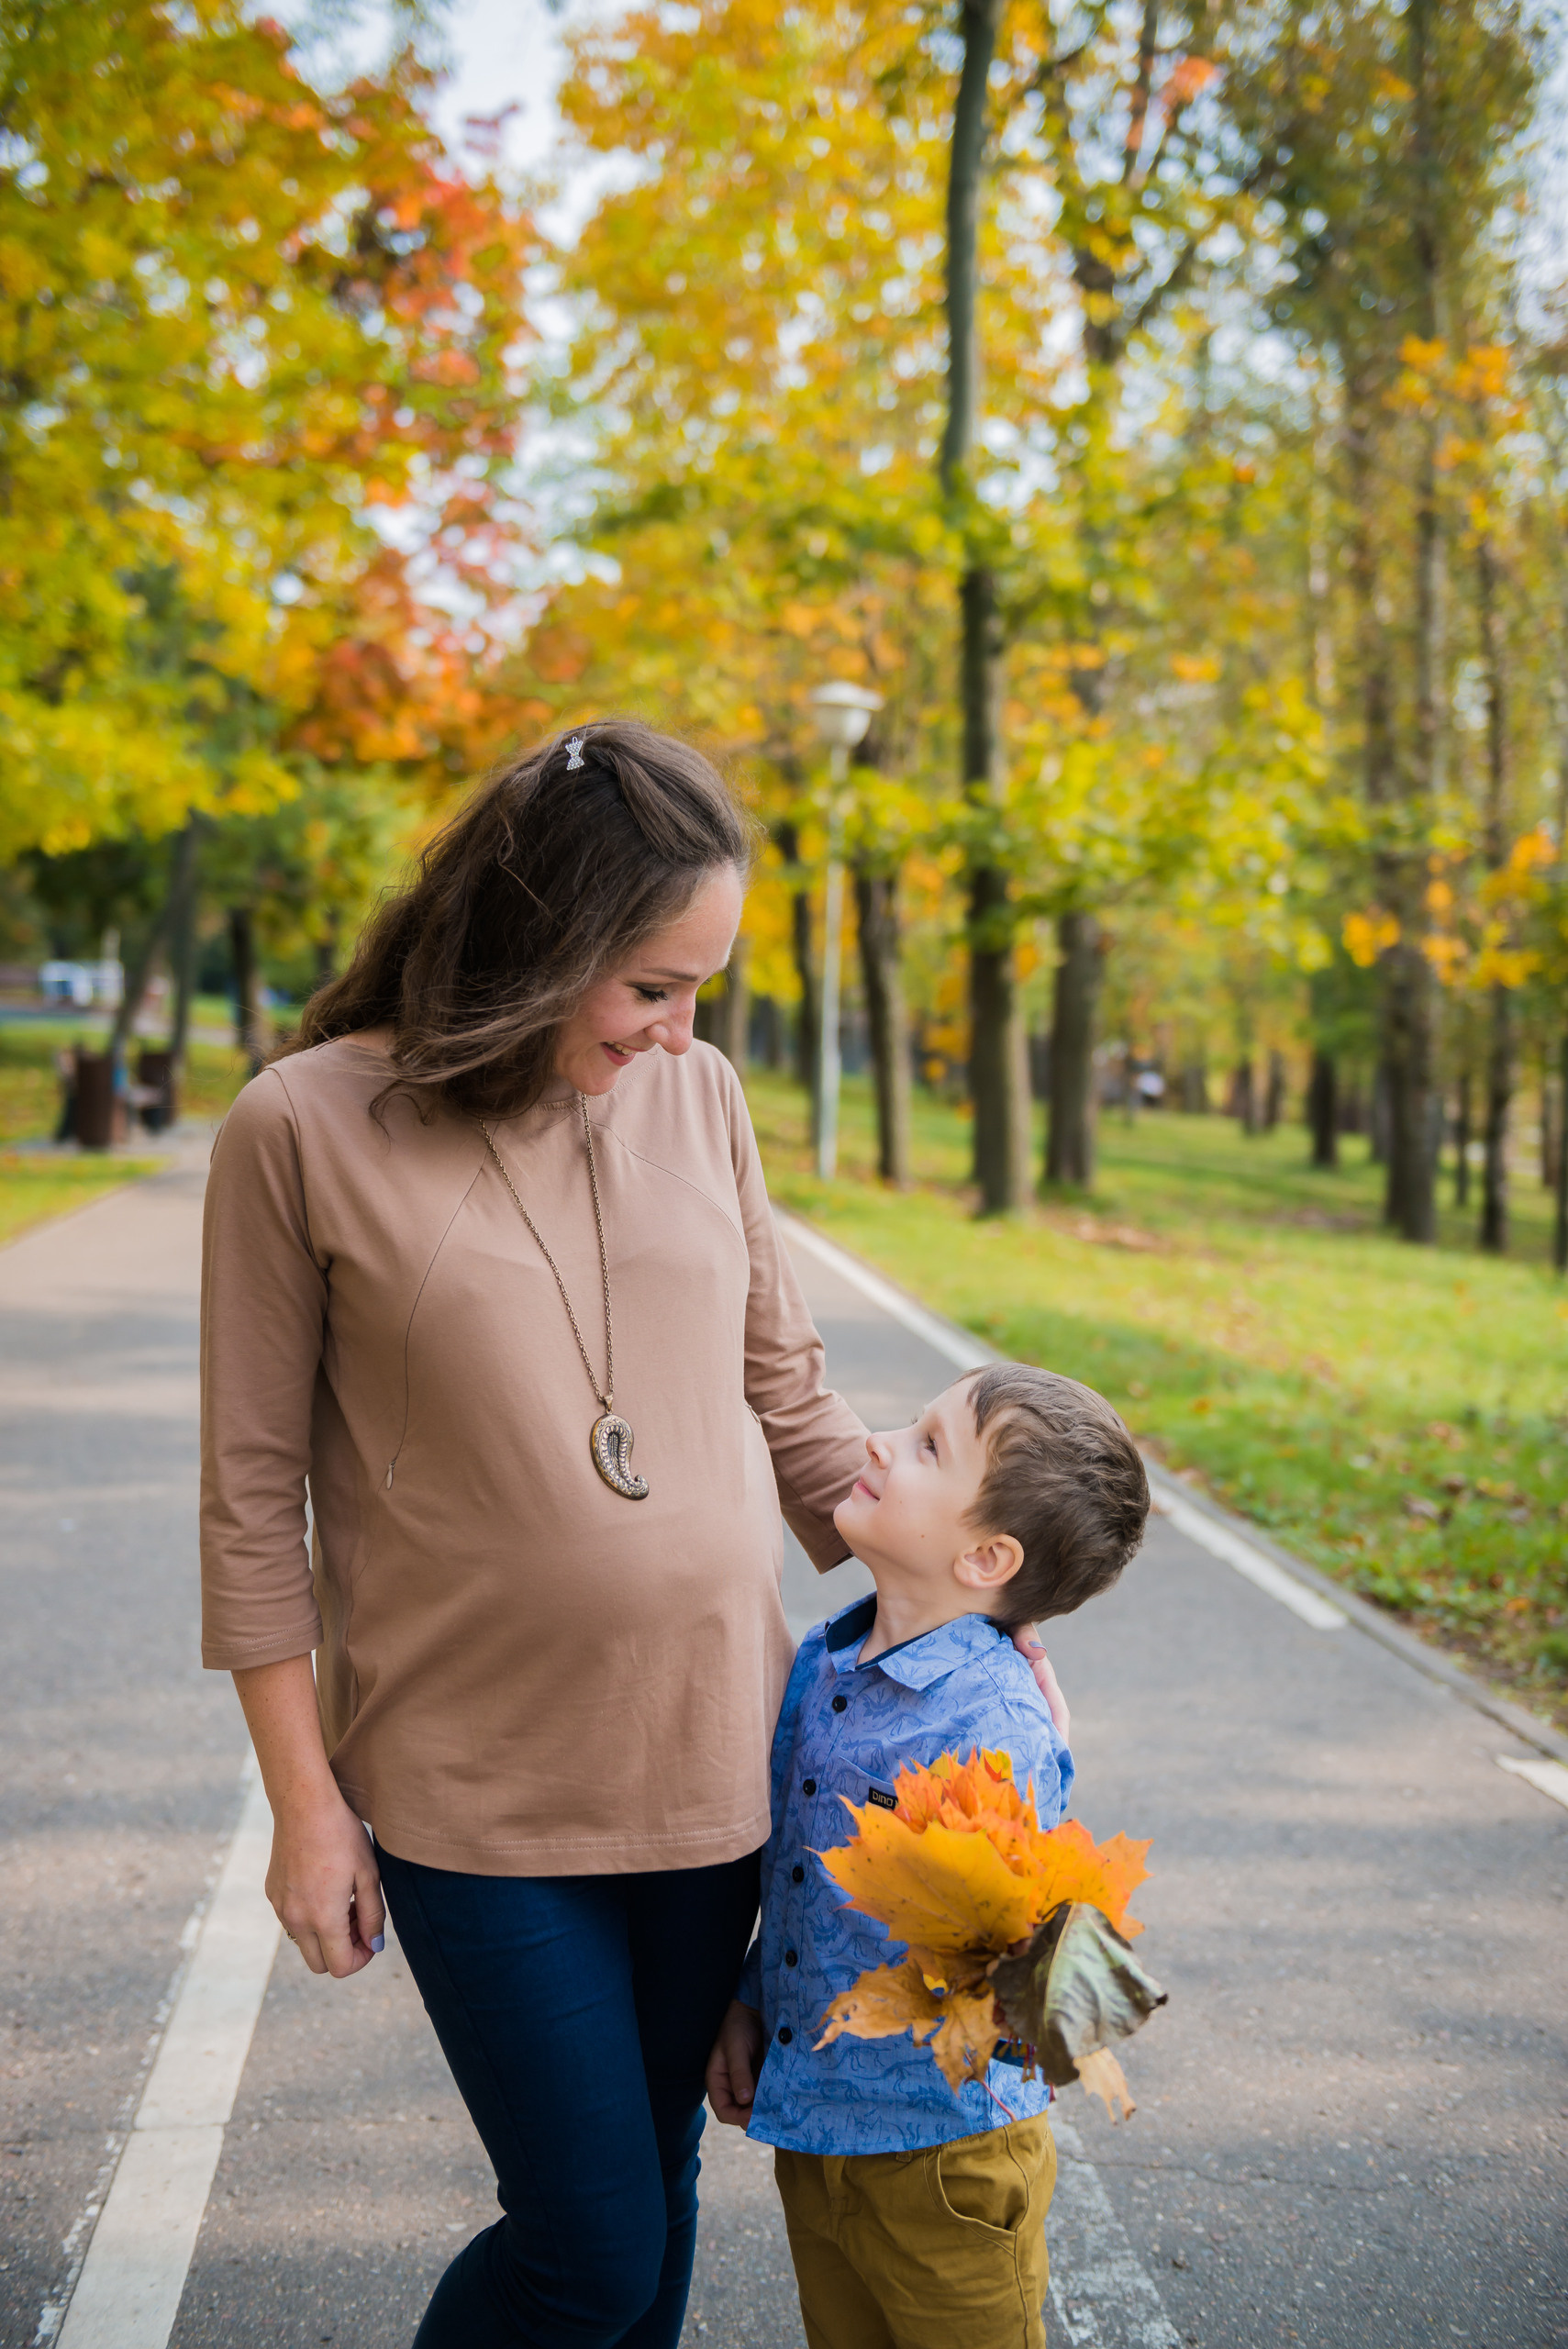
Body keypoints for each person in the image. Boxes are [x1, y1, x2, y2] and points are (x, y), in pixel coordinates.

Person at [198, 719, 1065, 2349]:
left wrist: (985, 1636)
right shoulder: (301, 1130)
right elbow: (250, 1500)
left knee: (654, 2195)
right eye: (650, 988)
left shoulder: (702, 1100)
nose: (679, 1032)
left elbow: (791, 1399)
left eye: (700, 993)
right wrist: (304, 1808)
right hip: (473, 1797)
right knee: (585, 2247)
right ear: (539, 936)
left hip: (709, 1774)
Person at [705, 1362, 1150, 2349]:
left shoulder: (993, 1721)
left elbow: (1042, 1976)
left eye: (926, 1446)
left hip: (946, 2152)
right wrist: (748, 1999)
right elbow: (795, 1881)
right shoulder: (825, 1660)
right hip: (818, 2134)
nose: (878, 1441)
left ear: (986, 1556)